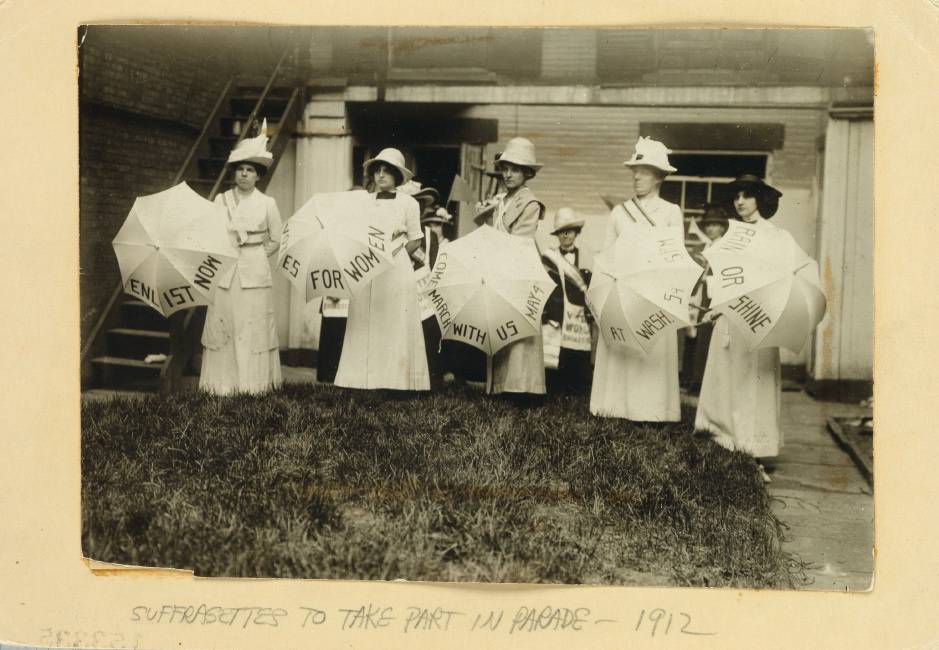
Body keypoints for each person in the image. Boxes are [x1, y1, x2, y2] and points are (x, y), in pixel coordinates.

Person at [694, 175, 823, 482]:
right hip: (729, 319)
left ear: (760, 200)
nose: (741, 201)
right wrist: (717, 304)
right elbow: (723, 279)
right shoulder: (728, 236)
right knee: (726, 379)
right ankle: (722, 438)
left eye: (748, 196)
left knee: (753, 383)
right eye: (737, 196)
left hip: (759, 318)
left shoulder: (776, 237)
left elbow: (781, 276)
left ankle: (752, 448)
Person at [590, 137, 684, 421]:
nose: (637, 177)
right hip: (624, 292)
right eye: (635, 170)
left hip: (655, 293)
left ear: (658, 177)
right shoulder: (620, 213)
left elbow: (675, 258)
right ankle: (615, 408)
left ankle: (653, 412)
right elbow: (606, 255)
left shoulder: (670, 212)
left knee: (651, 353)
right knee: (621, 351)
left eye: (644, 171)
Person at [334, 148, 430, 391]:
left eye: (387, 171)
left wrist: (394, 257)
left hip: (397, 269)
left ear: (398, 176)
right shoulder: (363, 201)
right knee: (365, 322)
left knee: (395, 322)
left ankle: (396, 383)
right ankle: (359, 381)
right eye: (377, 170)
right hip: (368, 268)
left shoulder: (408, 203)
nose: (381, 175)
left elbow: (416, 239)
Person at [199, 127, 283, 395]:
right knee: (224, 324)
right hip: (225, 275)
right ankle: (221, 386)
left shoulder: (267, 203)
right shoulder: (222, 199)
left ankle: (253, 386)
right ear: (233, 173)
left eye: (250, 170)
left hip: (254, 274)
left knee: (253, 325)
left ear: (258, 175)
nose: (244, 174)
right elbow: (212, 232)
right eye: (239, 169)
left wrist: (255, 254)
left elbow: (276, 238)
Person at [484, 137, 547, 396]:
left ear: (527, 173)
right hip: (500, 267)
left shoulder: (529, 203)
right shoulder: (502, 201)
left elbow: (520, 242)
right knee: (502, 325)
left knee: (520, 330)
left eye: (516, 169)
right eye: (505, 168)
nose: (508, 174)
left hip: (519, 269)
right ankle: (501, 385)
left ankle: (523, 387)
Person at [542, 207, 593, 394]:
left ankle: (577, 394)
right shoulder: (548, 259)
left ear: (576, 233)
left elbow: (589, 287)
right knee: (556, 357)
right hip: (557, 313)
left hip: (578, 315)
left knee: (578, 357)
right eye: (561, 232)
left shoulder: (586, 258)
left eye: (569, 231)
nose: (565, 235)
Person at [686, 203, 729, 393]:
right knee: (694, 334)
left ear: (722, 227)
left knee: (708, 336)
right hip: (700, 292)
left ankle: (703, 382)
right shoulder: (704, 245)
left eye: (715, 224)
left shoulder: (725, 246)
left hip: (714, 294)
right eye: (708, 225)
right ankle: (692, 379)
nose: (711, 228)